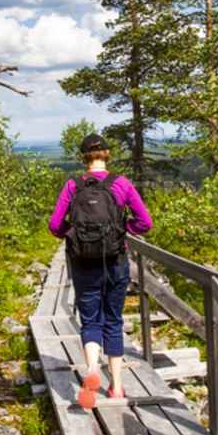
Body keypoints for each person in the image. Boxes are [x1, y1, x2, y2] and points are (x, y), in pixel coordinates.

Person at [48, 133, 153, 409]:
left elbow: (54, 224)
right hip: (115, 261)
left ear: (83, 157)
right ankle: (116, 387)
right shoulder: (121, 184)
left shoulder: (73, 185)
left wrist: (70, 234)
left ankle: (92, 369)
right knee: (113, 320)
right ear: (106, 154)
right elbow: (145, 222)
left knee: (91, 320)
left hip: (83, 262)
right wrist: (122, 229)